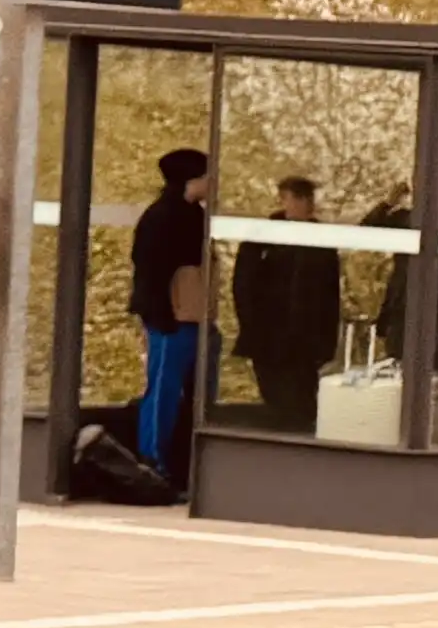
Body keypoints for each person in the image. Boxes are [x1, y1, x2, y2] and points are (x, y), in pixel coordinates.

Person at [230, 170, 343, 435]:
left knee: (303, 400)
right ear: (283, 200)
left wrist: (327, 341)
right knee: (276, 398)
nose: (305, 204)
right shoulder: (264, 237)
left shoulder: (321, 241)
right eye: (297, 198)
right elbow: (243, 286)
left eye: (307, 198)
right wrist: (251, 325)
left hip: (305, 338)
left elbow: (330, 293)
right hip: (270, 335)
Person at [128, 148, 216, 490]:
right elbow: (149, 271)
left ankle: (179, 461)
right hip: (171, 316)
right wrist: (160, 314)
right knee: (163, 388)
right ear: (189, 180)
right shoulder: (162, 217)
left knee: (195, 392)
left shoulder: (196, 215)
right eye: (207, 176)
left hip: (193, 314)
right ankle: (151, 458)